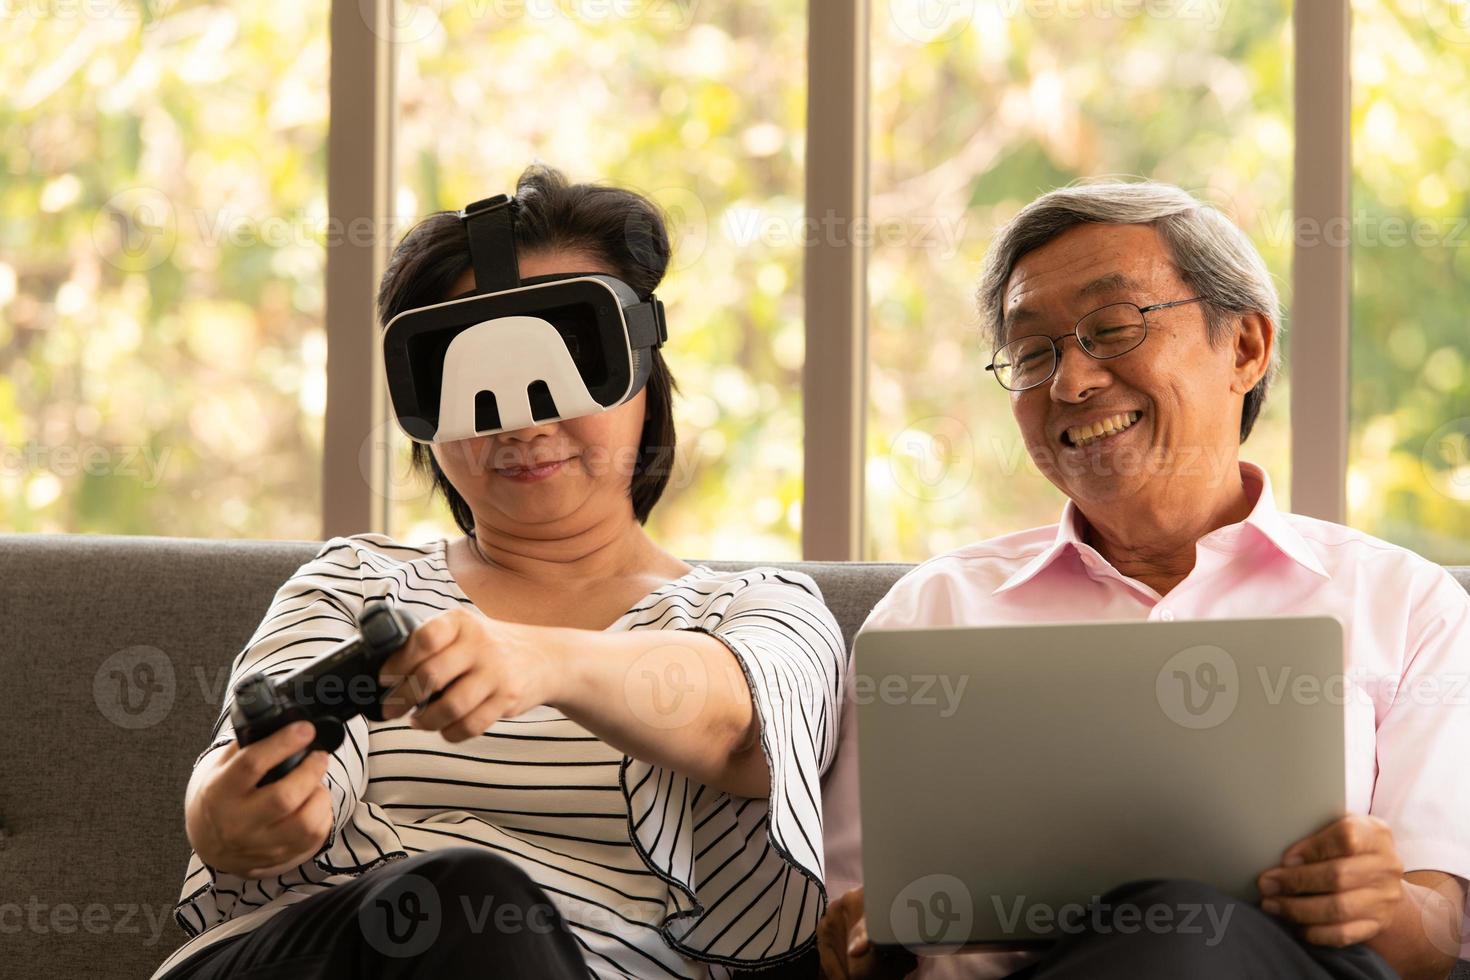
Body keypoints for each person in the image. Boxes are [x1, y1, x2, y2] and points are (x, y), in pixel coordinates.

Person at [151, 166, 848, 980]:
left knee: (486, 915)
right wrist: (232, 814)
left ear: (644, 375)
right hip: (318, 955)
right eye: (464, 369)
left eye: (569, 353)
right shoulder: (354, 582)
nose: (521, 418)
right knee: (457, 903)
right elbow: (250, 760)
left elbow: (737, 726)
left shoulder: (755, 611)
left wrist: (539, 659)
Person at [816, 181, 1469, 980]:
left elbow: (1439, 939)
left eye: (1112, 329)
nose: (1070, 382)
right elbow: (851, 919)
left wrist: (1378, 903)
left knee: (1188, 936)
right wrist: (861, 935)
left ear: (1246, 348)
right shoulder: (933, 613)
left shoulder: (1406, 606)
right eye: (1033, 353)